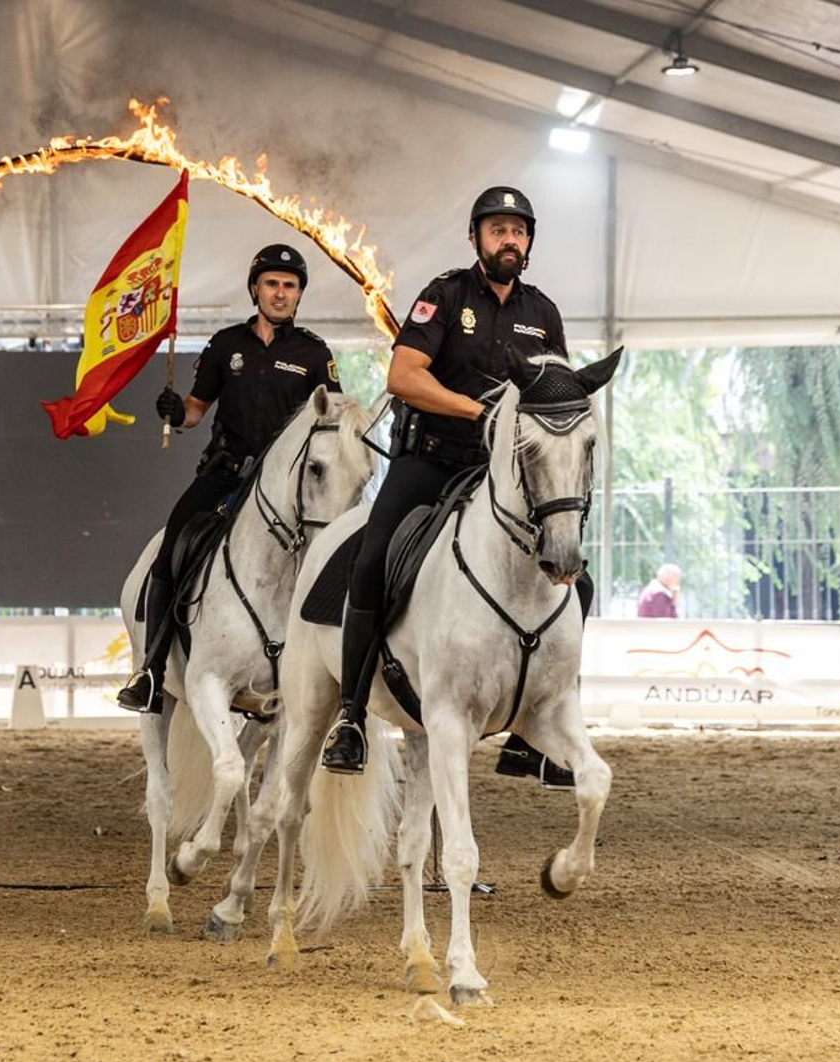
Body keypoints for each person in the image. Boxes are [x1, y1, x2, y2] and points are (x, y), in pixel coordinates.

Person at [320, 186, 592, 784]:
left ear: (529, 243)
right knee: (371, 564)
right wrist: (480, 413)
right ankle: (350, 718)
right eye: (497, 230)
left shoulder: (543, 313)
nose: (508, 239)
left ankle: (536, 733)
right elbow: (404, 376)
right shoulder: (444, 296)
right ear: (476, 239)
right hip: (434, 459)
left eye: (518, 231)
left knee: (578, 579)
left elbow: (560, 392)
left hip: (508, 473)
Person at [116, 244, 342, 712]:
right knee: (172, 547)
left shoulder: (315, 354)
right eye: (272, 284)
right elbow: (197, 411)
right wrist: (176, 410)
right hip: (226, 475)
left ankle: (338, 683)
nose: (281, 294)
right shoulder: (226, 345)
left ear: (299, 295)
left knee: (333, 560)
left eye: (290, 286)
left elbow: (331, 418)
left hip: (287, 491)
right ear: (255, 289)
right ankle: (152, 671)